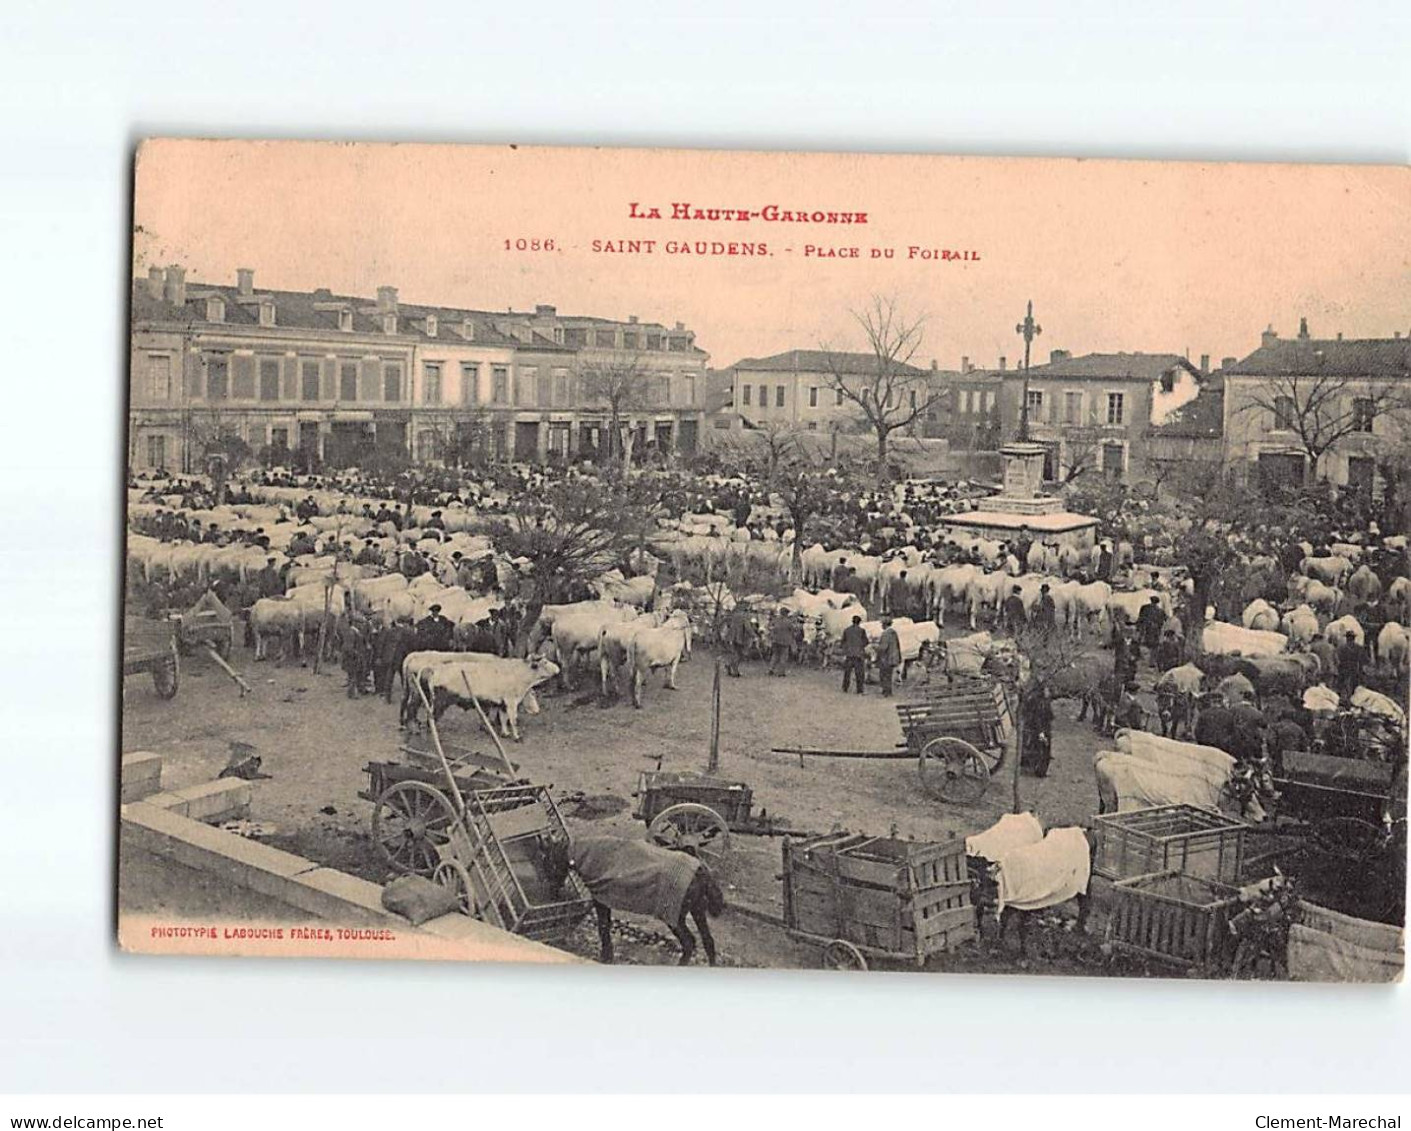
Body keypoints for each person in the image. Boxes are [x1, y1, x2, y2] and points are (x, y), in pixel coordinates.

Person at [1020, 684, 1054, 777]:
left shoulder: (1042, 701)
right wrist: (1041, 733)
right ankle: (1040, 772)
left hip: (1041, 728)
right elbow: (1039, 719)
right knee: (1043, 749)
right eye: (1047, 690)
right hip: (1041, 729)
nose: (1048, 693)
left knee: (1041, 748)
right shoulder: (1041, 704)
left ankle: (1036, 768)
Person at [840, 615, 868, 695]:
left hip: (849, 654)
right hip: (858, 655)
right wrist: (860, 646)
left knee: (847, 672)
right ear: (859, 622)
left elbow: (843, 642)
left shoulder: (847, 630)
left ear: (852, 621)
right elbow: (866, 641)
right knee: (859, 673)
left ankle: (845, 688)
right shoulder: (862, 631)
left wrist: (846, 649)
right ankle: (859, 690)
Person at [875, 617, 902, 697]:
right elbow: (897, 645)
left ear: (884, 624)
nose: (881, 626)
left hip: (885, 658)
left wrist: (875, 647)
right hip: (893, 657)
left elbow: (883, 647)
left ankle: (885, 692)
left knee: (884, 675)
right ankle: (889, 691)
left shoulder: (885, 634)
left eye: (882, 624)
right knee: (889, 675)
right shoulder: (894, 633)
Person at [724, 608, 753, 677]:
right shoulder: (744, 618)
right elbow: (748, 628)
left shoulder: (734, 617)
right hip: (739, 638)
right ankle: (735, 671)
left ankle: (729, 665)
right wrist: (754, 635)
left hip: (731, 638)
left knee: (735, 654)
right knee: (740, 655)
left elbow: (728, 625)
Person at [1335, 634, 1364, 698]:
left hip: (1344, 667)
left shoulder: (1341, 647)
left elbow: (1338, 658)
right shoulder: (1358, 647)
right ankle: (1353, 697)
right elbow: (1361, 659)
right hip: (1354, 667)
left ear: (1347, 638)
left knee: (1341, 684)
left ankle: (1340, 697)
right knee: (1354, 684)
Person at [767, 610, 794, 677]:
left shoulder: (776, 620)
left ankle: (771, 669)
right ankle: (781, 672)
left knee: (775, 655)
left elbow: (769, 627)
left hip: (775, 640)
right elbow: (792, 630)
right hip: (785, 641)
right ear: (786, 614)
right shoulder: (788, 622)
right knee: (783, 656)